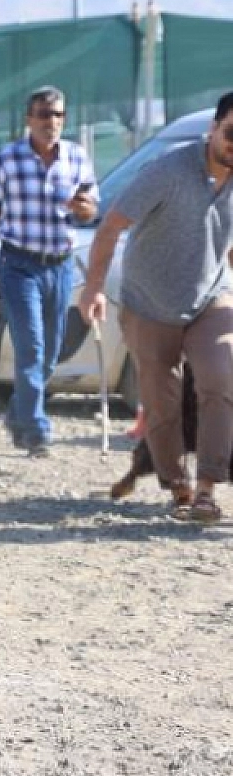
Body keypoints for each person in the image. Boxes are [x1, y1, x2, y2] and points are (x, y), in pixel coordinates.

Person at [80, 90, 233, 523]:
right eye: (232, 133)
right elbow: (111, 227)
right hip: (149, 302)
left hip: (210, 296)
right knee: (161, 402)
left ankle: (207, 488)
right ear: (213, 129)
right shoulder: (167, 171)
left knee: (220, 376)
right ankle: (177, 486)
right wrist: (92, 288)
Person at [0, 86, 100, 457]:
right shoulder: (7, 159)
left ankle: (19, 412)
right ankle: (37, 429)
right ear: (29, 119)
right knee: (31, 345)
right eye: (42, 114)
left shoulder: (76, 157)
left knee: (52, 350)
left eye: (57, 115)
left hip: (60, 265)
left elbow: (89, 210)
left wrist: (82, 207)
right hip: (19, 264)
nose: (50, 122)